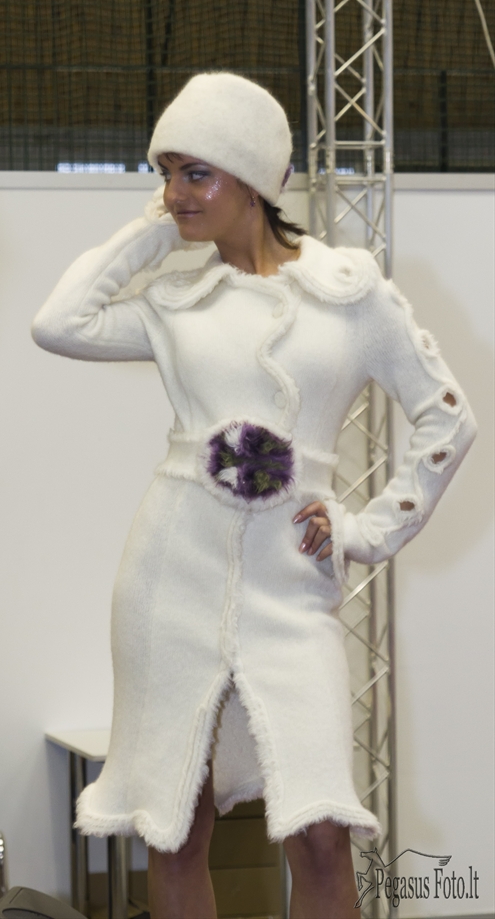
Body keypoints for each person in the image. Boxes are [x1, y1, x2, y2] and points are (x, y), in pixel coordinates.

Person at [31, 72, 476, 919]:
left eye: (197, 173)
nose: (175, 194)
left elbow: (447, 418)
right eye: (165, 174)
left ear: (256, 180)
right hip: (168, 577)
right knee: (174, 827)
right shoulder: (174, 299)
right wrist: (151, 234)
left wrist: (365, 530)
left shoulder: (350, 292)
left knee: (320, 834)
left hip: (291, 589)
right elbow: (59, 323)